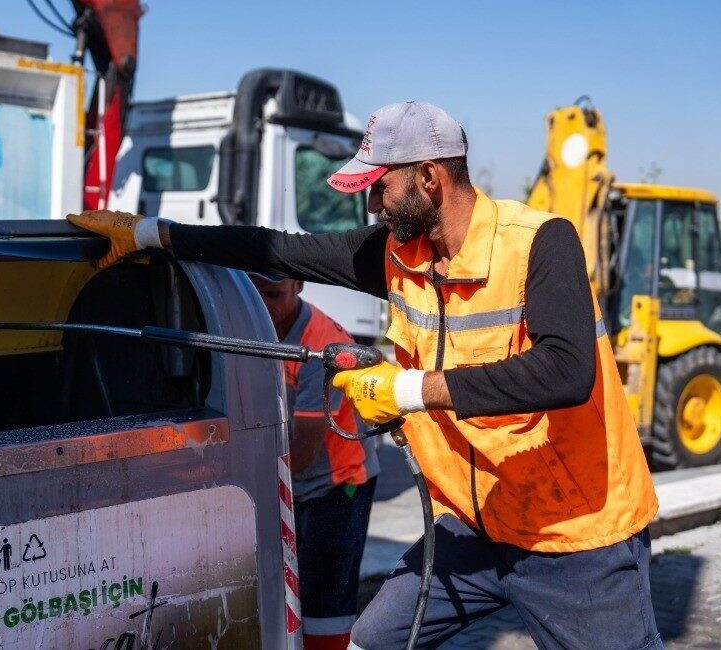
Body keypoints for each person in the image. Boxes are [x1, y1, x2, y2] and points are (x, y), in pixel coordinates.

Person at [69, 101, 661, 650]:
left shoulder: (540, 243)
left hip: (577, 536)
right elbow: (279, 250)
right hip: (476, 527)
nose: (372, 207)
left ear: (430, 177)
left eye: (379, 189)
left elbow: (565, 371)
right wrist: (153, 234)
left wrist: (408, 391)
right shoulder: (400, 255)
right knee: (372, 639)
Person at [250, 273, 378, 650]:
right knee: (293, 592)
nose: (263, 304)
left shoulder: (321, 346)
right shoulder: (258, 326)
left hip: (340, 484)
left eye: (273, 294)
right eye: (255, 293)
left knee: (326, 599)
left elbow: (304, 451)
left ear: (298, 286)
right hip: (298, 484)